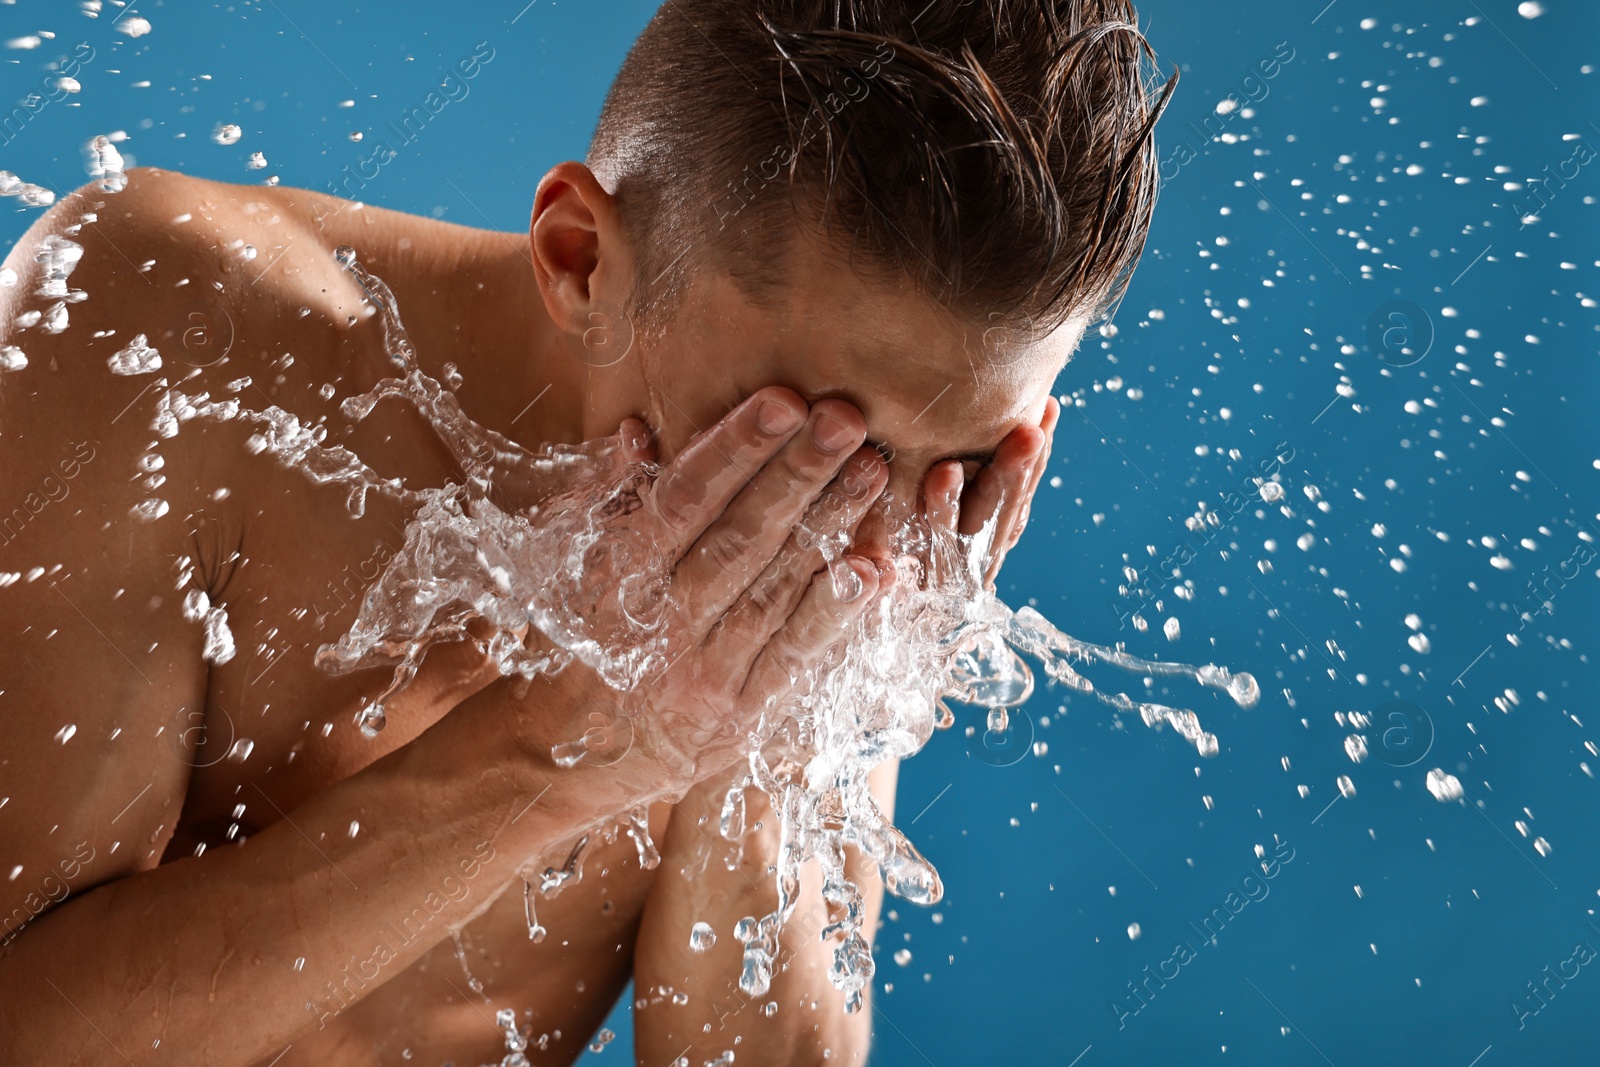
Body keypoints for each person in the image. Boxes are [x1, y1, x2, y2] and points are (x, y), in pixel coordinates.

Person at [0, 0, 1171, 1063]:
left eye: (952, 465)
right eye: (791, 440)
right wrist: (554, 754)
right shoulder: (180, 333)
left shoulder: (889, 531)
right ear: (581, 261)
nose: (835, 533)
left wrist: (752, 735)